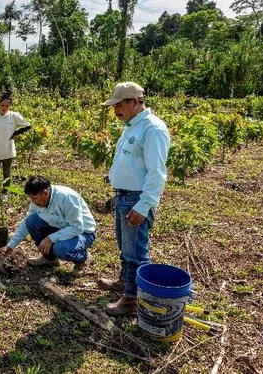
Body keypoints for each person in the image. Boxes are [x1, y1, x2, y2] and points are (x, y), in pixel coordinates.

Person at [98, 82, 171, 316]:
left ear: (135, 101)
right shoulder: (132, 125)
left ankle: (132, 300)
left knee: (136, 252)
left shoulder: (153, 129)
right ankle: (124, 282)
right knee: (124, 246)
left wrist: (144, 205)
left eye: (119, 104)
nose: (115, 110)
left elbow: (157, 173)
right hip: (123, 197)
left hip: (136, 199)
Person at [0, 176, 96, 274]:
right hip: (59, 228)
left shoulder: (67, 198)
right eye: (31, 199)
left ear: (45, 193)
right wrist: (10, 246)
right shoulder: (37, 201)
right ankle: (50, 259)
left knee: (60, 248)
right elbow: (26, 223)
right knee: (31, 221)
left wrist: (51, 238)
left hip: (83, 233)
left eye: (34, 198)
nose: (33, 202)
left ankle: (83, 258)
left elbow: (77, 228)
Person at [0, 93, 31, 197]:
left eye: (7, 106)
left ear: (10, 106)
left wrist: (15, 133)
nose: (4, 108)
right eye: (2, 105)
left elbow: (28, 125)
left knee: (7, 174)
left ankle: (4, 194)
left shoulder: (14, 116)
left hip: (8, 150)